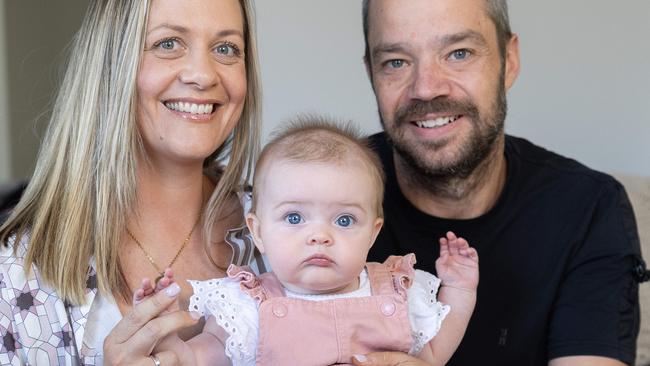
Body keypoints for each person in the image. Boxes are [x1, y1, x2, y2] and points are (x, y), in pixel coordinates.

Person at [353, 1, 644, 366]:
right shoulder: (310, 202)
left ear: (510, 60)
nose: (426, 89)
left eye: (458, 53)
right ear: (371, 73)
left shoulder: (587, 208)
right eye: (396, 61)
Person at [0, 0, 263, 364]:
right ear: (110, 63)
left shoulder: (291, 229)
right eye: (168, 43)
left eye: (225, 48)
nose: (203, 75)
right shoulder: (17, 271)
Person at [134, 118, 479, 365]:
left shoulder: (395, 292)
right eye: (295, 218)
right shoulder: (250, 307)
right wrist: (163, 335)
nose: (319, 236)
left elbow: (433, 355)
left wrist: (460, 289)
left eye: (344, 220)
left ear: (373, 233)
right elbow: (192, 359)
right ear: (258, 232)